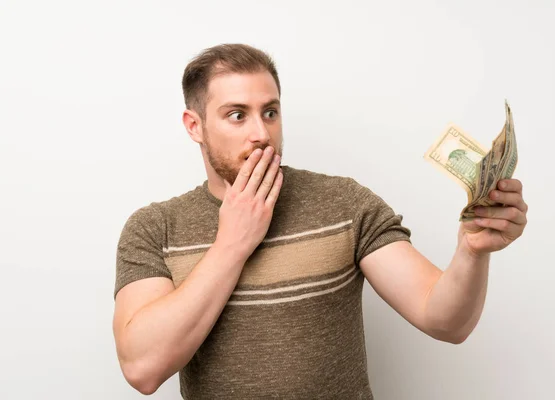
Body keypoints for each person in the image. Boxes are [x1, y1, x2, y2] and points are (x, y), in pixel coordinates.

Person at [112, 43, 528, 399]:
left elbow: (446, 321)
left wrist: (472, 251)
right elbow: (143, 369)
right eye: (237, 115)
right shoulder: (154, 228)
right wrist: (232, 244)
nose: (261, 133)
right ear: (195, 126)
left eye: (270, 112)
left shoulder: (344, 203)